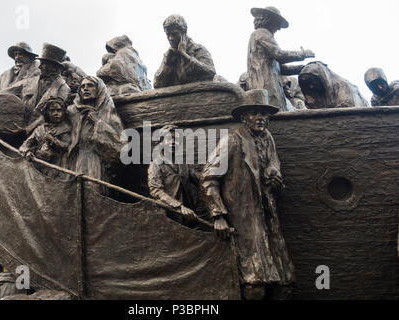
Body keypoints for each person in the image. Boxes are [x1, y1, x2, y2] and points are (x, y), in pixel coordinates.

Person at [201, 89, 294, 300]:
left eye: (264, 114)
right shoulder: (232, 141)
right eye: (254, 113)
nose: (260, 118)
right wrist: (218, 215)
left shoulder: (268, 140)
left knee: (285, 282)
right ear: (244, 117)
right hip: (243, 219)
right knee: (254, 284)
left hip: (269, 219)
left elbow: (274, 171)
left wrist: (275, 181)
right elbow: (208, 178)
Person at [245, 6, 315, 111]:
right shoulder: (261, 33)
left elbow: (281, 69)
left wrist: (304, 68)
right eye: (278, 23)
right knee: (272, 114)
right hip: (264, 85)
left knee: (278, 113)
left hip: (271, 86)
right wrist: (303, 54)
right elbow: (280, 54)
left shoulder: (265, 35)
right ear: (269, 20)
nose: (279, 28)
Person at [66, 76, 124, 190]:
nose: (85, 89)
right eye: (82, 86)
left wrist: (98, 123)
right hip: (74, 160)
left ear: (99, 89)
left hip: (95, 161)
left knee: (92, 190)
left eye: (90, 85)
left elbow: (120, 143)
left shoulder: (108, 112)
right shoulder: (72, 112)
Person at [6, 43, 70, 132]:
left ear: (53, 67)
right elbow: (7, 92)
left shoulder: (63, 88)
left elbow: (50, 115)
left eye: (43, 64)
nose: (39, 67)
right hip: (18, 127)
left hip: (42, 134)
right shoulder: (30, 80)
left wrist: (26, 130)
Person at [147, 125, 200, 226]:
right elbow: (156, 191)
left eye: (176, 139)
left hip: (189, 214)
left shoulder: (183, 164)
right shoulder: (156, 164)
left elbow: (199, 180)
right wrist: (179, 206)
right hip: (168, 215)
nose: (172, 142)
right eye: (168, 139)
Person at [153, 14, 217, 88]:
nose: (171, 38)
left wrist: (184, 55)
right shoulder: (169, 55)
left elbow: (210, 73)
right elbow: (157, 84)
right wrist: (168, 63)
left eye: (174, 34)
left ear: (184, 33)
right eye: (168, 34)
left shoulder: (198, 50)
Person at [19, 97, 71, 178]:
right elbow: (25, 145)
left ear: (63, 112)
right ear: (47, 112)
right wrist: (27, 152)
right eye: (52, 110)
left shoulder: (66, 129)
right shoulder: (40, 129)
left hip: (56, 169)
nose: (55, 113)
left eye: (58, 110)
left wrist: (53, 140)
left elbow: (66, 147)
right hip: (37, 167)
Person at [299, 61, 369, 109]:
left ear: (322, 79)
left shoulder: (342, 86)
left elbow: (347, 110)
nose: (311, 87)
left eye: (313, 82)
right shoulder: (315, 94)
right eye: (307, 85)